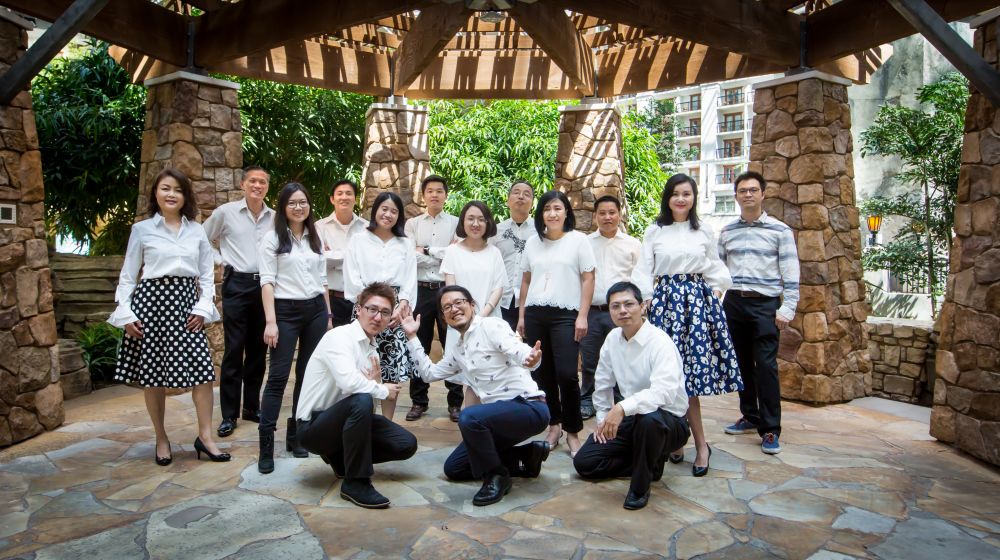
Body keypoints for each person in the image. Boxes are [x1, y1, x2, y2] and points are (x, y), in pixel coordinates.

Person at [109, 168, 230, 465]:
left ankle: (205, 437)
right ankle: (161, 438)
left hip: (188, 309)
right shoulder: (142, 230)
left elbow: (206, 275)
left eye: (177, 189)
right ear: (156, 193)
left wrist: (202, 307)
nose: (171, 194)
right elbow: (128, 277)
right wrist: (126, 314)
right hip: (150, 307)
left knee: (203, 373)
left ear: (185, 196)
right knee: (154, 376)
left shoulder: (196, 231)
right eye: (165, 188)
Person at [631, 173, 742, 477]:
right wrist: (646, 300)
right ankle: (676, 439)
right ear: (667, 198)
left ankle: (701, 445)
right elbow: (644, 269)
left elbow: (715, 266)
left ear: (694, 198)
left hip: (696, 306)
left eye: (687, 194)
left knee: (690, 380)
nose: (681, 199)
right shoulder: (655, 230)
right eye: (675, 194)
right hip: (665, 306)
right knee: (667, 375)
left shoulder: (703, 230)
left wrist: (715, 293)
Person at [402, 286, 550, 506]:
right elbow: (428, 374)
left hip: (528, 408)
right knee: (455, 468)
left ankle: (497, 476)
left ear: (472, 305)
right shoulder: (458, 350)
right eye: (447, 307)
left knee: (469, 417)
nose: (454, 309)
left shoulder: (491, 326)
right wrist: (412, 336)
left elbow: (516, 348)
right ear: (444, 317)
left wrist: (530, 357)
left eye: (459, 302)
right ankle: (527, 455)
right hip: (495, 421)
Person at [296, 282, 418, 509]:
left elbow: (365, 407)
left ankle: (340, 457)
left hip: (343, 421)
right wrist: (382, 389)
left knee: (405, 444)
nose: (378, 317)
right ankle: (356, 482)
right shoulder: (338, 337)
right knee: (361, 399)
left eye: (385, 312)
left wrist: (373, 385)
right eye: (372, 309)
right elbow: (349, 383)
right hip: (313, 427)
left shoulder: (371, 349)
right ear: (359, 310)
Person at [573, 282, 690, 510]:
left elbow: (664, 392)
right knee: (585, 463)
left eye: (629, 304)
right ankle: (650, 462)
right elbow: (603, 384)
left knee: (649, 420)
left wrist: (621, 408)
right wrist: (603, 420)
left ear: (642, 306)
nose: (622, 311)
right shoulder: (612, 339)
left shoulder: (660, 342)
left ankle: (640, 487)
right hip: (632, 418)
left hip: (668, 422)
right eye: (615, 306)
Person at [718, 171, 799, 455]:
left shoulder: (780, 231)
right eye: (743, 190)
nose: (748, 194)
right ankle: (750, 416)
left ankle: (770, 429)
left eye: (753, 190)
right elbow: (718, 271)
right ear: (736, 196)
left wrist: (788, 307)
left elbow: (791, 271)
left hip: (765, 305)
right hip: (734, 303)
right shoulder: (727, 232)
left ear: (763, 194)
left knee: (765, 367)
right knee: (740, 364)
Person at [257, 183, 332, 473]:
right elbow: (267, 281)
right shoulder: (272, 238)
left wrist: (327, 315)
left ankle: (297, 435)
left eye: (303, 202)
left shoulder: (315, 236)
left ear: (309, 205)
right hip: (284, 312)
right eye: (292, 203)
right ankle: (266, 446)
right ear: (283, 207)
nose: (298, 207)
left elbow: (322, 280)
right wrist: (271, 322)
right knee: (277, 377)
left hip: (315, 311)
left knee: (307, 375)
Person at [518, 190, 596, 457]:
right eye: (547, 209)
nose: (552, 214)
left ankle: (573, 431)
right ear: (541, 214)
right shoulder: (533, 243)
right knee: (542, 373)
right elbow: (526, 280)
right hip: (535, 313)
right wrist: (521, 316)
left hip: (567, 315)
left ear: (566, 212)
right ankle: (554, 425)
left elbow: (588, 278)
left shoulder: (578, 241)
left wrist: (583, 315)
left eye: (557, 208)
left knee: (567, 374)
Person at [203, 166, 275, 439]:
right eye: (253, 181)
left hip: (266, 285)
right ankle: (229, 415)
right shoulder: (226, 212)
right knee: (234, 349)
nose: (257, 185)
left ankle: (251, 407)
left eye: (262, 182)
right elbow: (202, 238)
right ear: (243, 184)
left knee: (258, 350)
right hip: (237, 284)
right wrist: (220, 261)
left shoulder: (274, 217)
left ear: (267, 186)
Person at [344, 191, 418, 421]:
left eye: (394, 211)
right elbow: (352, 276)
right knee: (362, 366)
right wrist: (369, 306)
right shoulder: (358, 239)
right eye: (384, 209)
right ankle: (363, 421)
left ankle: (386, 424)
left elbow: (410, 278)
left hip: (395, 312)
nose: (388, 214)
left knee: (391, 372)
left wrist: (402, 305)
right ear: (375, 210)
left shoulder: (405, 243)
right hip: (366, 307)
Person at [403, 175, 463, 422]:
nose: (435, 195)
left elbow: (456, 254)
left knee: (453, 344)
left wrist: (425, 250)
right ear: (424, 195)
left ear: (446, 195)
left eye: (439, 191)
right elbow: (409, 256)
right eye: (430, 191)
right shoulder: (412, 224)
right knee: (420, 343)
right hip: (421, 290)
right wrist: (442, 253)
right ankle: (419, 401)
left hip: (447, 289)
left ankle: (455, 403)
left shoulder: (457, 223)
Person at [579, 195, 641, 421]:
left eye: (612, 212)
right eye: (602, 213)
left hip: (622, 313)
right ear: (595, 216)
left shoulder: (633, 244)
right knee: (590, 360)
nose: (607, 217)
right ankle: (587, 400)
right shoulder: (585, 243)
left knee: (622, 359)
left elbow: (640, 277)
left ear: (619, 214)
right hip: (593, 311)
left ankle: (621, 403)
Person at [316, 179, 368, 328]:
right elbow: (319, 260)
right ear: (332, 199)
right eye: (340, 193)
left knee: (360, 341)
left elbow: (369, 260)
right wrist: (355, 256)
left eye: (348, 193)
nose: (344, 197)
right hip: (330, 299)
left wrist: (332, 255)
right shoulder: (320, 226)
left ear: (355, 199)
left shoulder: (367, 227)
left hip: (360, 299)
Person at [491, 181, 537, 331]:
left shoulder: (541, 231)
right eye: (516, 192)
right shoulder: (496, 231)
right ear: (508, 200)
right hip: (502, 298)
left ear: (532, 203)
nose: (521, 196)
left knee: (532, 343)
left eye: (526, 194)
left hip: (531, 299)